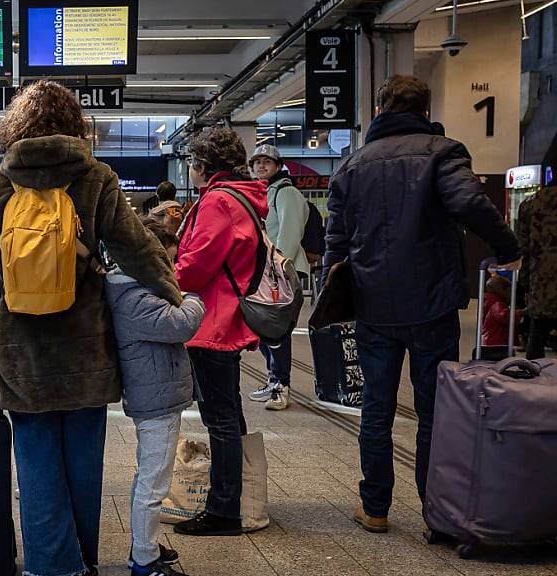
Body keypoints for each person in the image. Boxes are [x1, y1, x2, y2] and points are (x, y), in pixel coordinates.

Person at [0, 80, 181, 576]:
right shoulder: (96, 178)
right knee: (83, 458)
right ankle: (85, 562)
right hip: (85, 350)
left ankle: (51, 565)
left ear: (15, 127)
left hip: (18, 348)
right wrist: (173, 296)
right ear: (77, 125)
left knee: (34, 459)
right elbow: (137, 249)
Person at [322, 76, 520, 533]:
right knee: (434, 411)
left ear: (378, 110)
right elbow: (470, 201)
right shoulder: (443, 151)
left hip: (373, 304)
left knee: (377, 408)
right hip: (433, 302)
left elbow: (336, 242)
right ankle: (436, 512)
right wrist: (506, 246)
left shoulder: (351, 166)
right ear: (425, 108)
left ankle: (375, 508)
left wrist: (333, 299)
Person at [172, 127, 267, 538]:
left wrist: (167, 277)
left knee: (220, 418)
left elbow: (196, 264)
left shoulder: (218, 201)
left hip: (214, 321)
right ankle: (234, 501)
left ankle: (224, 509)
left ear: (203, 165)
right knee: (228, 413)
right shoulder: (243, 197)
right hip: (225, 317)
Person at [105, 220, 204, 576]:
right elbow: (181, 324)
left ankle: (144, 545)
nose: (173, 270)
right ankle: (144, 561)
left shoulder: (131, 291)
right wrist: (194, 298)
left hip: (157, 394)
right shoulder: (135, 299)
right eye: (169, 262)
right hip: (156, 400)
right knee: (154, 483)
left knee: (148, 477)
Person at [247, 144, 308, 411]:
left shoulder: (286, 192)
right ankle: (274, 380)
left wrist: (279, 269)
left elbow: (290, 233)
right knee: (263, 327)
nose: (261, 166)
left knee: (277, 331)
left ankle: (281, 385)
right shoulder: (264, 191)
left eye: (267, 162)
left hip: (280, 272)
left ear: (277, 166)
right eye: (257, 162)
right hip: (266, 272)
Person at [516, 184, 557, 360]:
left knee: (537, 338)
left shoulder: (530, 204)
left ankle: (534, 383)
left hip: (542, 287)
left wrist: (524, 284)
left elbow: (522, 250)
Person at [481, 275, 520, 348]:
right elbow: (506, 317)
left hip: (492, 339)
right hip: (498, 342)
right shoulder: (497, 305)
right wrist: (520, 312)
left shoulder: (488, 301)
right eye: (510, 291)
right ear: (502, 290)